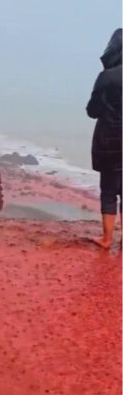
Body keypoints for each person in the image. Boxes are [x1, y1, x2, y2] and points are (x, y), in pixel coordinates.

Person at [86, 28, 122, 250]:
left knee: (108, 191)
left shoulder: (106, 77)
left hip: (109, 141)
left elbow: (93, 110)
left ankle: (107, 239)